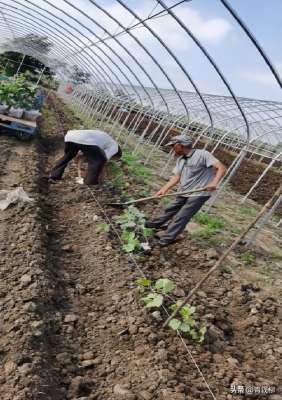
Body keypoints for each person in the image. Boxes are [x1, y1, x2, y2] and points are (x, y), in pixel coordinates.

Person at [145, 135, 226, 247]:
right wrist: (164, 189)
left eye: (173, 146)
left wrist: (214, 183)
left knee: (181, 216)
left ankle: (165, 240)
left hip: (199, 193)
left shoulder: (202, 154)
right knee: (170, 208)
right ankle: (153, 224)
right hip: (184, 191)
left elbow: (221, 167)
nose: (172, 148)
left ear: (180, 145)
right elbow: (176, 177)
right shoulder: (181, 159)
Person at [48, 129, 122, 185]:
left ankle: (54, 175)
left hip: (70, 136)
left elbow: (81, 158)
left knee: (68, 155)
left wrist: (79, 172)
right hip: (84, 139)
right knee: (98, 160)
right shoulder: (114, 147)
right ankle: (90, 182)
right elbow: (103, 161)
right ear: (116, 154)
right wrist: (101, 178)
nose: (111, 159)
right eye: (113, 158)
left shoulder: (104, 142)